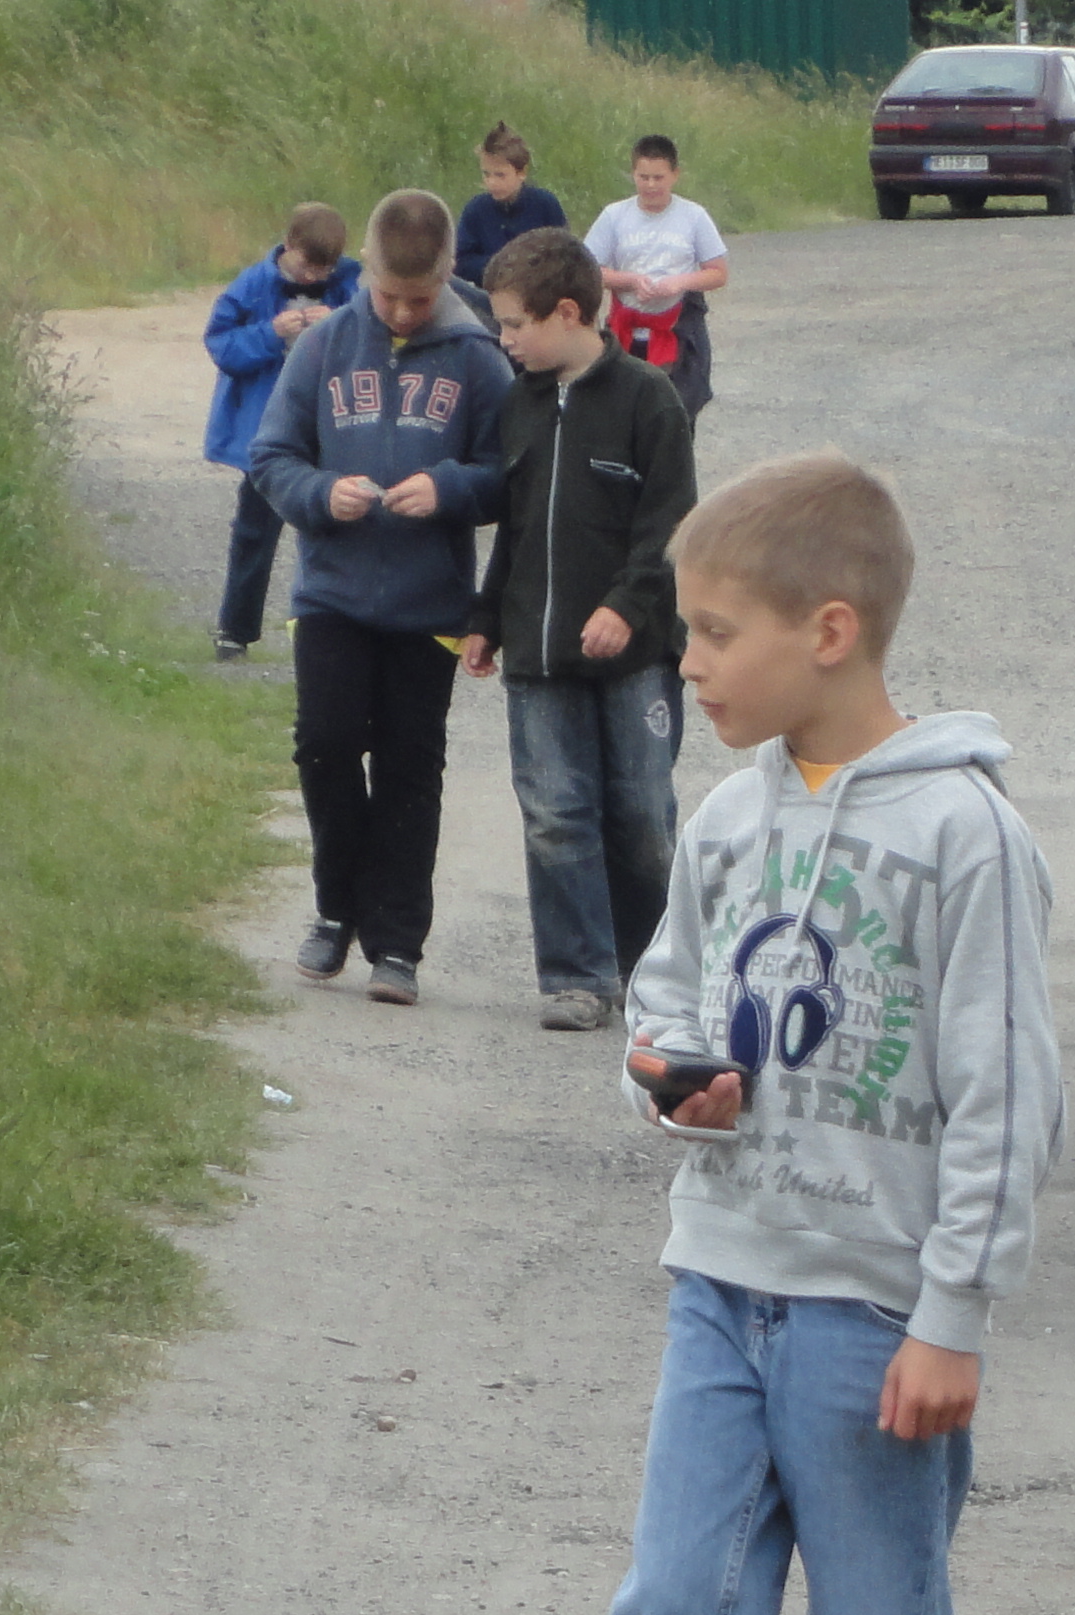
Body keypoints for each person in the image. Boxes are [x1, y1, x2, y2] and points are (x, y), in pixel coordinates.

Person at [548, 451, 1062, 1615]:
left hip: (874, 1318)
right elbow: (669, 997)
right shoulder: (727, 818)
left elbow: (1004, 1093)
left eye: (714, 633)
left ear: (827, 631)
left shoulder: (965, 836)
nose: (686, 662)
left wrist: (953, 1319)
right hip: (722, 1286)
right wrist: (669, 1078)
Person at [246, 188, 512, 1007]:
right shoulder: (322, 347)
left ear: (447, 275)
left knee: (409, 765)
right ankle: (336, 910)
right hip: (331, 595)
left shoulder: (478, 357)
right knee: (324, 745)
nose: (401, 312)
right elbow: (271, 458)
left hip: (428, 607)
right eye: (388, 295)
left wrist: (450, 489)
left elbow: (509, 473)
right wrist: (322, 495)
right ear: (365, 269)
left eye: (419, 299)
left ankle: (396, 942)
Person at [466, 226, 695, 1033]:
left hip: (636, 656)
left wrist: (625, 607)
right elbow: (516, 526)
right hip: (538, 655)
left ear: (567, 313)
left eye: (514, 324)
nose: (504, 340)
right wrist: (486, 618)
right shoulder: (517, 404)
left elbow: (671, 524)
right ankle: (576, 975)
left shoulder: (648, 399)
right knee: (555, 813)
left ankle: (651, 973)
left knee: (642, 817)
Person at [200, 203, 359, 659]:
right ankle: (235, 629)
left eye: (324, 269)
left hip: (329, 426)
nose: (314, 277)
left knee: (337, 525)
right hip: (268, 429)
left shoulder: (349, 286)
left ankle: (339, 626)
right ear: (288, 246)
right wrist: (270, 333)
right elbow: (221, 345)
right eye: (308, 266)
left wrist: (338, 322)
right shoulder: (252, 285)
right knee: (255, 532)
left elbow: (371, 335)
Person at [583, 133, 727, 416]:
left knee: (678, 412)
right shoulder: (614, 216)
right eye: (643, 177)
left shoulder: (694, 216)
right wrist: (630, 281)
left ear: (675, 175)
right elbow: (586, 271)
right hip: (625, 327)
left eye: (658, 178)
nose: (650, 185)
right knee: (624, 412)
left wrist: (678, 283)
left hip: (678, 328)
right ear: (633, 174)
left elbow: (718, 273)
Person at [455, 123, 569, 289]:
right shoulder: (476, 210)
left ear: (521, 173)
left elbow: (565, 255)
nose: (492, 183)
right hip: (489, 293)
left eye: (500, 175)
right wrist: (502, 267)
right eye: (486, 174)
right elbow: (462, 261)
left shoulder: (545, 205)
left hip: (538, 293)